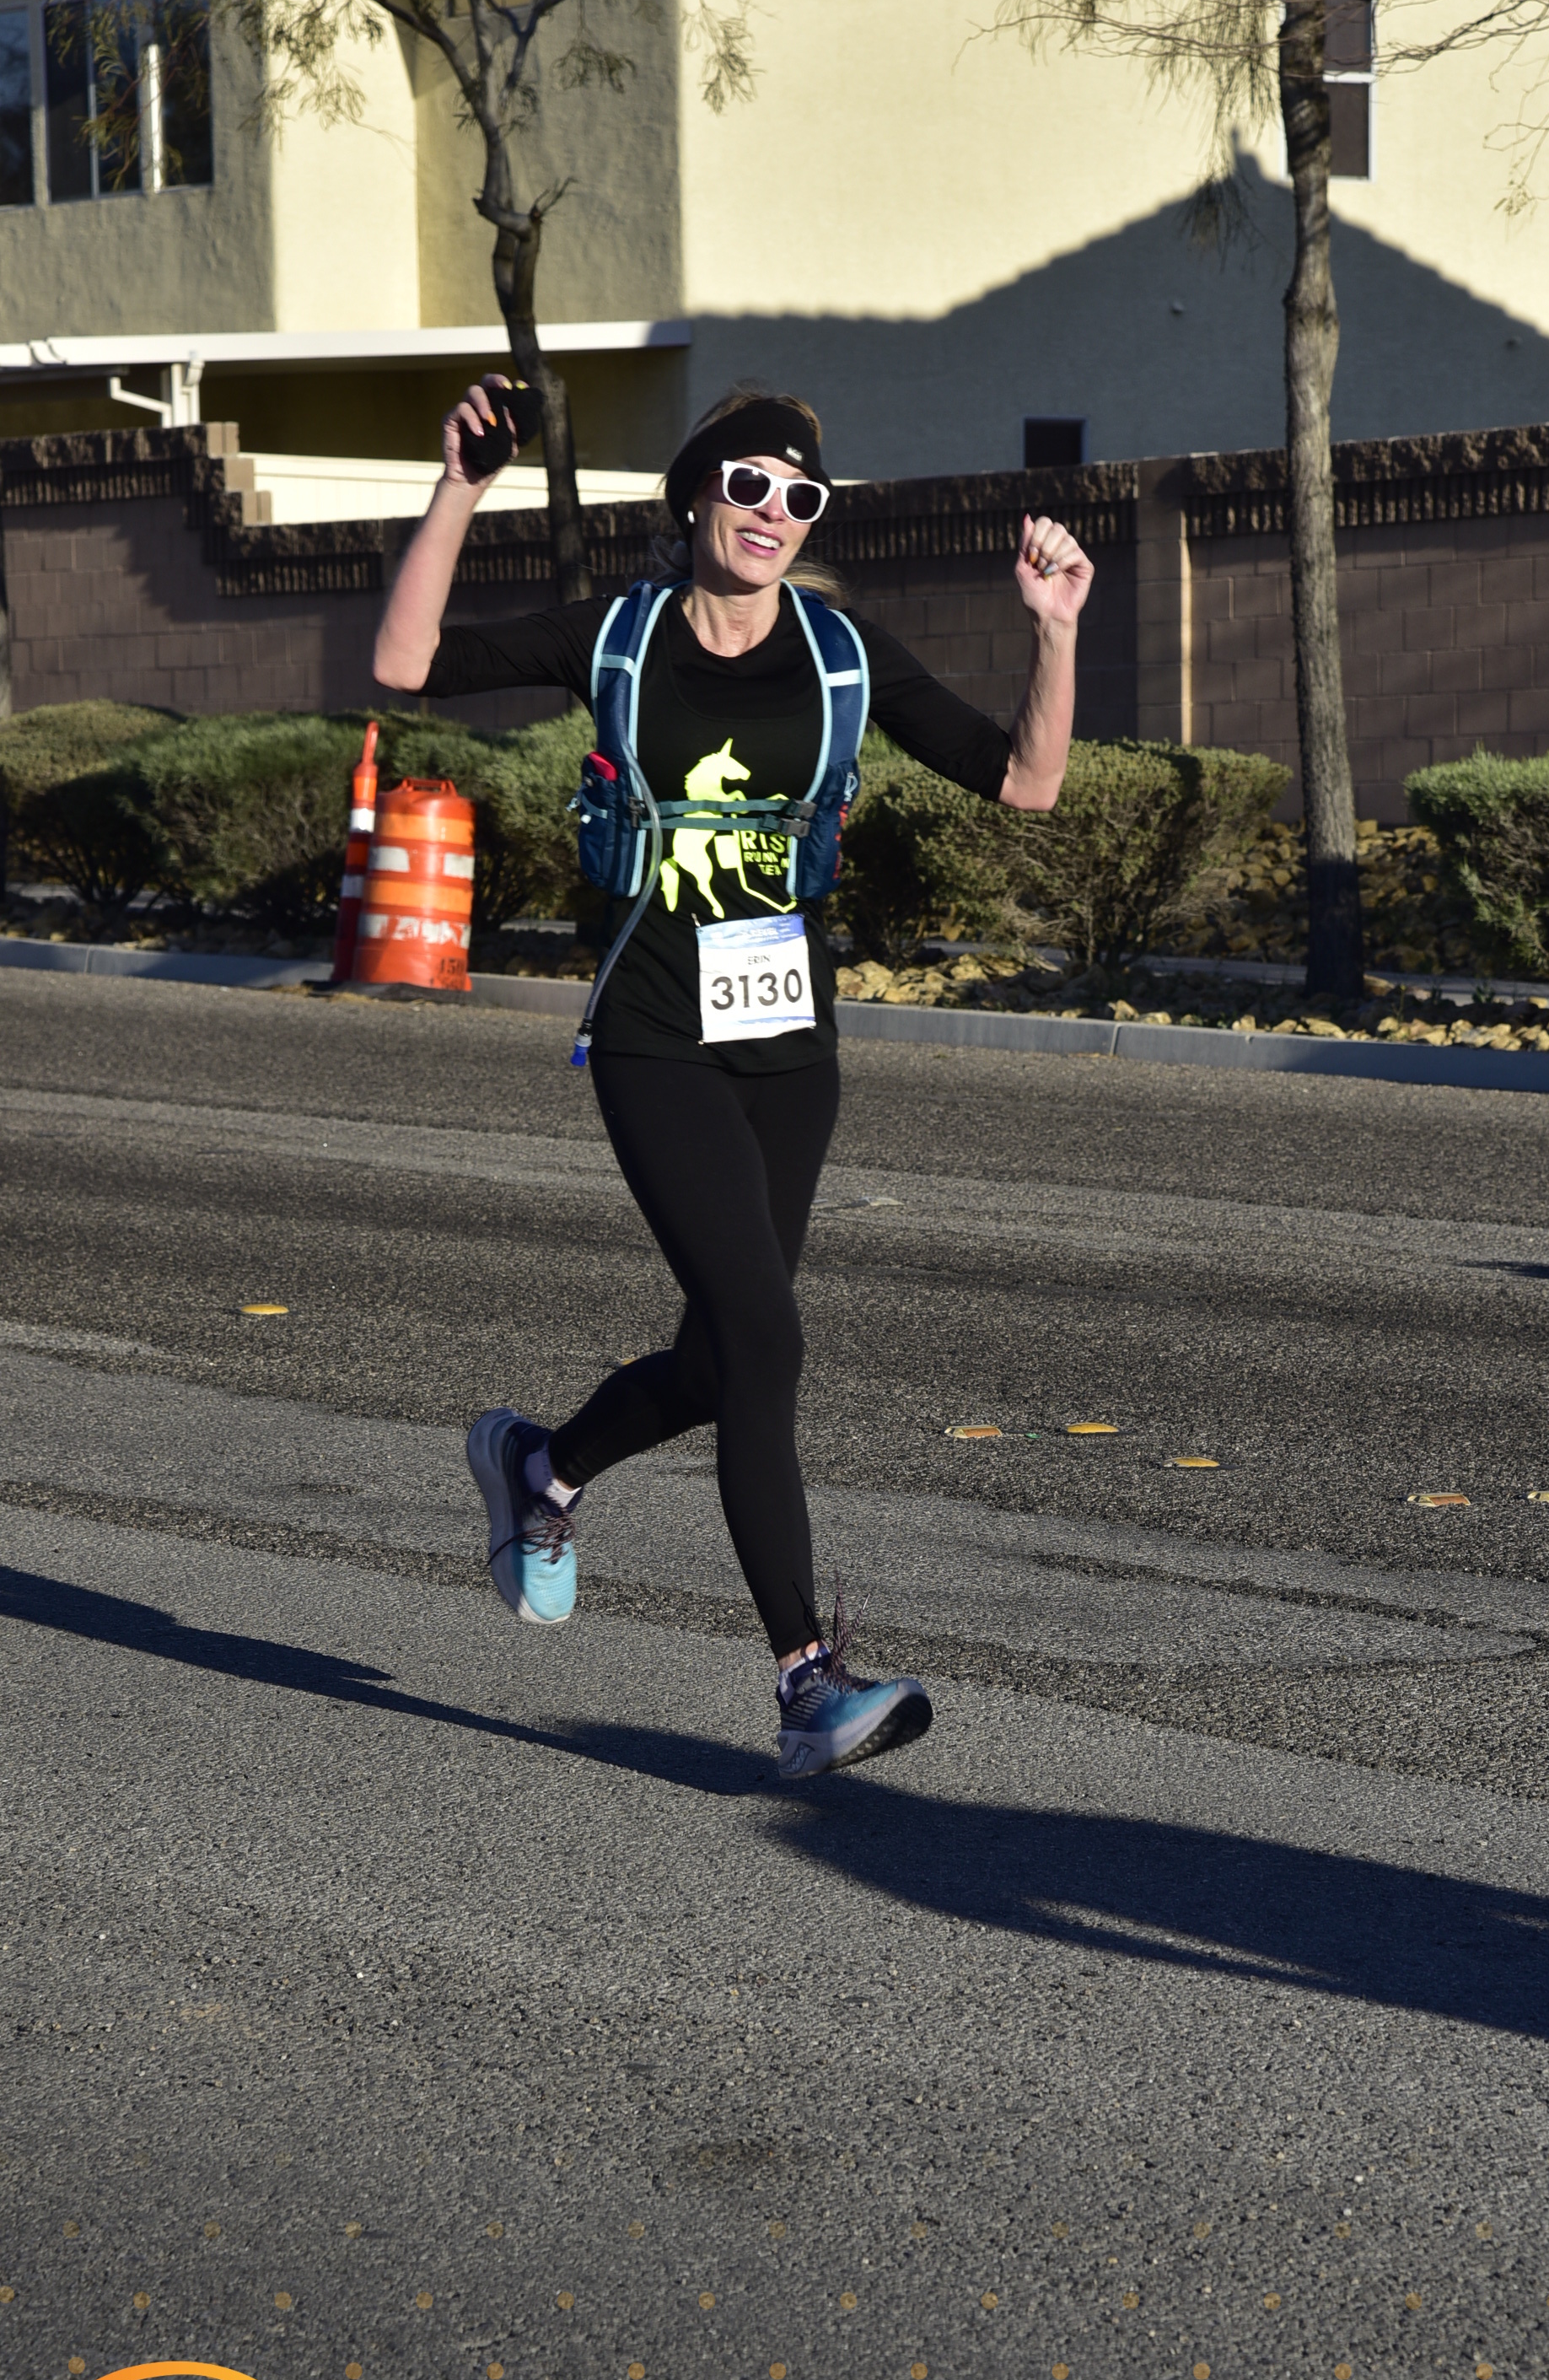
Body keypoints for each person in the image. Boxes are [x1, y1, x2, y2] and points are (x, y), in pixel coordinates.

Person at [372, 380, 1094, 1776]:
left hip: (791, 1050)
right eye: (750, 485)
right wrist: (461, 486)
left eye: (800, 497)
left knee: (726, 1355)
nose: (775, 513)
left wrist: (1054, 630)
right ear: (698, 495)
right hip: (655, 1037)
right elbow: (408, 663)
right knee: (765, 1335)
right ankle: (807, 1681)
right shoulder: (619, 636)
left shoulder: (840, 654)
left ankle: (539, 1467)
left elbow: (1026, 782)